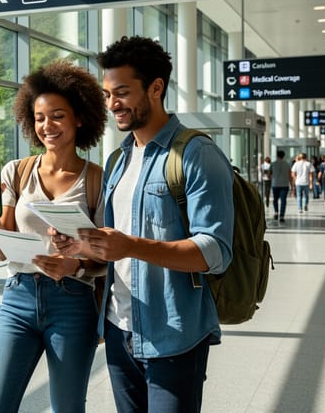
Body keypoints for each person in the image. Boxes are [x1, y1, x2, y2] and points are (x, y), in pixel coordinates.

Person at [57, 35, 234, 412]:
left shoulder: (197, 154)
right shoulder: (118, 162)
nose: (112, 104)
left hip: (174, 334)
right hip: (119, 331)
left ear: (156, 88)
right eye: (107, 94)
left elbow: (216, 252)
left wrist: (133, 246)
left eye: (121, 92)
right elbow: (111, 247)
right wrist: (81, 246)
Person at [0, 60, 108, 413]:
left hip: (73, 303)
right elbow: (1, 250)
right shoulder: (17, 171)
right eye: (40, 118)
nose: (47, 126)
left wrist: (73, 265)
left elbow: (105, 258)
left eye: (57, 115)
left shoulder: (98, 180)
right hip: (18, 299)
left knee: (68, 408)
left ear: (80, 118)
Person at [270, 149, 293, 223]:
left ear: (277, 156)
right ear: (283, 156)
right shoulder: (287, 164)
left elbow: (269, 174)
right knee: (283, 201)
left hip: (275, 184)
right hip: (284, 184)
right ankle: (282, 216)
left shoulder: (273, 164)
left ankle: (276, 212)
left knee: (275, 199)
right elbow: (290, 176)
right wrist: (292, 185)